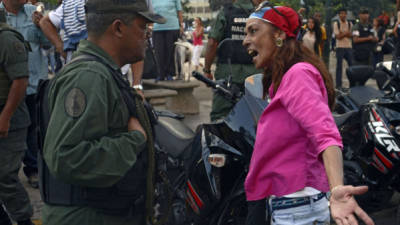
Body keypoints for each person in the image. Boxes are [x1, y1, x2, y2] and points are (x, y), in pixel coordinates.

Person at [243, 3, 375, 225]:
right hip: (290, 205)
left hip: (298, 208)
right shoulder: (283, 79)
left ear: (278, 35)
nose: (245, 40)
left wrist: (336, 189)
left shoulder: (298, 75)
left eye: (253, 31)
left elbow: (326, 134)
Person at [40, 0, 165, 225]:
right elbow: (66, 157)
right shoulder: (89, 76)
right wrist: (134, 140)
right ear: (118, 28)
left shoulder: (104, 72)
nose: (147, 36)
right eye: (142, 27)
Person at [1, 0, 51, 189]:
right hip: (9, 87)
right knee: (12, 130)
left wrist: (41, 26)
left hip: (34, 83)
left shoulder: (34, 13)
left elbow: (47, 44)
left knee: (34, 130)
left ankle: (33, 169)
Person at [0, 8, 34, 225]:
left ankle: (24, 220)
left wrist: (5, 116)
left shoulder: (6, 39)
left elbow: (20, 81)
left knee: (5, 176)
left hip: (10, 117)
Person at [203, 0, 263, 121]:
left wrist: (207, 69)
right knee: (254, 117)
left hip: (228, 74)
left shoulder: (225, 13)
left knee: (221, 117)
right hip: (254, 75)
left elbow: (212, 42)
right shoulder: (260, 16)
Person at [152, 0, 183, 81]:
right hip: (157, 28)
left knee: (170, 52)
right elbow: (149, 12)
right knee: (159, 52)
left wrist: (181, 25)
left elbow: (179, 11)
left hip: (172, 27)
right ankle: (161, 74)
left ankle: (170, 74)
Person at [333, 8, 353, 89]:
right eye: (341, 13)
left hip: (348, 46)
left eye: (344, 13)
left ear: (346, 14)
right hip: (339, 47)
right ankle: (338, 85)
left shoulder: (350, 24)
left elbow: (351, 35)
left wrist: (342, 33)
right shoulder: (336, 23)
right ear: (339, 15)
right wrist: (346, 33)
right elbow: (338, 37)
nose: (343, 15)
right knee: (339, 67)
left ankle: (353, 83)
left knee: (351, 66)